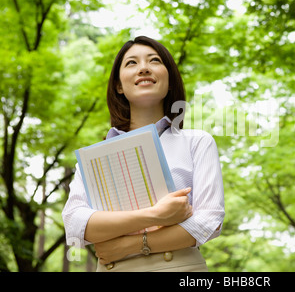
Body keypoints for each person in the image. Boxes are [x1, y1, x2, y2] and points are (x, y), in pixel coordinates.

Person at [62, 36, 225, 272]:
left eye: (154, 60)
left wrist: (130, 244)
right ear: (119, 85)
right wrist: (156, 215)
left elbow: (209, 221)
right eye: (131, 63)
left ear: (169, 81)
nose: (144, 68)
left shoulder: (197, 142)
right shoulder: (93, 157)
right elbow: (75, 224)